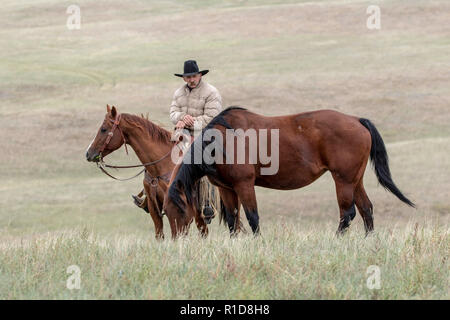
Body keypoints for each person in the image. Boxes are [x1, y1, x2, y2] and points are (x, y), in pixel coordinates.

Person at [133, 60, 222, 223]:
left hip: (204, 134)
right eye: (187, 77)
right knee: (158, 155)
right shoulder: (179, 92)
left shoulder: (211, 92)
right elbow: (173, 113)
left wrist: (189, 121)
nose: (191, 80)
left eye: (194, 76)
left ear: (200, 75)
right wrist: (181, 118)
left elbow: (212, 118)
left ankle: (207, 203)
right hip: (182, 134)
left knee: (202, 162)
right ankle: (148, 196)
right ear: (183, 78)